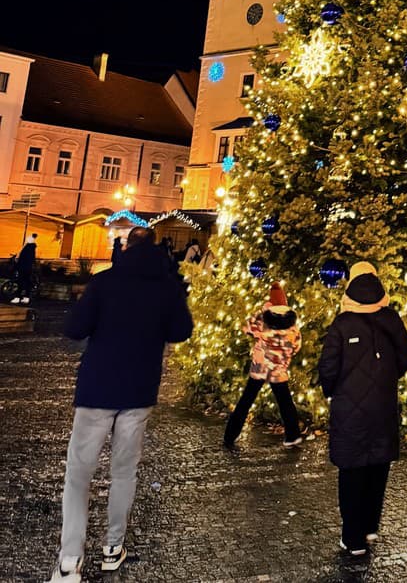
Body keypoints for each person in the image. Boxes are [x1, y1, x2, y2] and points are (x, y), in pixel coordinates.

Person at [46, 226, 192, 583]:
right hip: (139, 391)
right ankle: (113, 548)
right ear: (158, 248)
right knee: (124, 472)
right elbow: (180, 331)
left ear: (126, 247)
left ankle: (70, 561)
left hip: (98, 388)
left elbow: (74, 329)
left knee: (79, 475)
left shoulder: (106, 281)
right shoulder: (167, 285)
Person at [317, 260, 407, 558]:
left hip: (350, 411)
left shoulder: (342, 324)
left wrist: (333, 391)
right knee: (377, 469)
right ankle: (370, 527)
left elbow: (328, 368)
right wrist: (386, 379)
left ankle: (353, 538)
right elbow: (405, 355)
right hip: (382, 407)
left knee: (352, 473)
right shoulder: (391, 318)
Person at [223, 282, 302, 449]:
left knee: (246, 400)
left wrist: (261, 313)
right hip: (278, 369)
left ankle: (230, 435)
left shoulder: (263, 318)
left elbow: (248, 328)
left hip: (260, 367)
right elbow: (296, 346)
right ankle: (293, 435)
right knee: (285, 401)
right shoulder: (292, 325)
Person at [10, 232, 38, 304]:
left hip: (24, 267)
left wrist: (17, 264)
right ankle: (26, 297)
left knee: (21, 282)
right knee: (26, 282)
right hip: (27, 268)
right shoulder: (31, 248)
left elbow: (24, 258)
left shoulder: (28, 248)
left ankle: (18, 297)